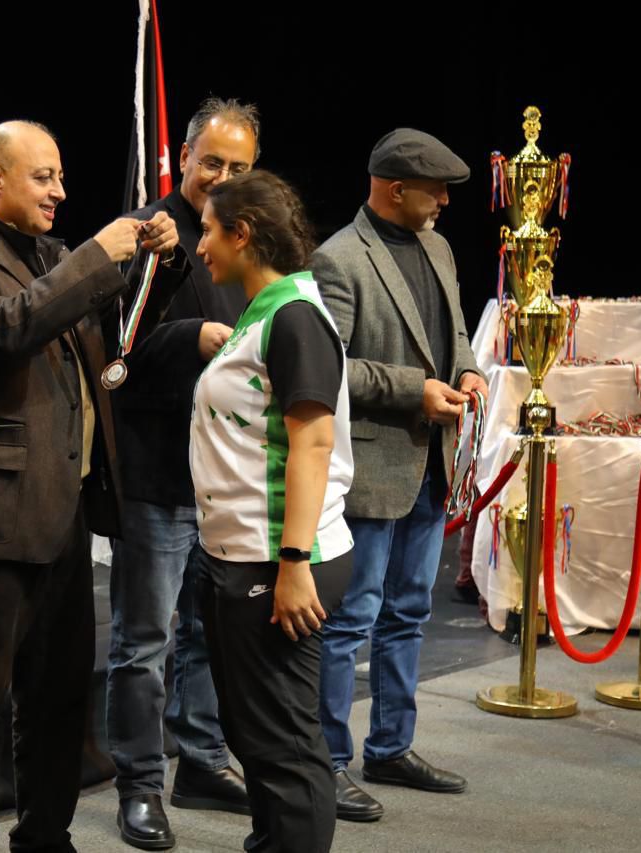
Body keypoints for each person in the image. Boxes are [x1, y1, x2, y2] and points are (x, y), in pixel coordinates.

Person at [0, 119, 184, 853]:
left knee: (60, 699)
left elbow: (119, 336)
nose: (60, 191)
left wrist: (160, 265)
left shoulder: (51, 255)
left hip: (65, 511)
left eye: (61, 177)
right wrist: (98, 254)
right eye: (44, 177)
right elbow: (5, 328)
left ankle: (45, 838)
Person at [312, 128, 484, 822]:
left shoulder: (439, 248)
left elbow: (456, 333)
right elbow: (329, 366)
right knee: (350, 619)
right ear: (395, 188)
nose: (444, 201)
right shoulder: (338, 259)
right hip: (371, 466)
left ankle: (389, 746)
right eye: (435, 190)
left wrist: (468, 369)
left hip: (428, 466)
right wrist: (416, 390)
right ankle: (325, 762)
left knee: (409, 611)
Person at [105, 97, 260, 850]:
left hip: (223, 480)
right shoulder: (146, 232)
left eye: (239, 167)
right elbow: (114, 357)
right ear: (186, 158)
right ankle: (139, 785)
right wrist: (190, 338)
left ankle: (200, 761)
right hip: (157, 477)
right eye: (212, 163)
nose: (222, 178)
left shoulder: (245, 243)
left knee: (207, 634)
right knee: (144, 644)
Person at [189, 169, 354, 853]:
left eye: (208, 230)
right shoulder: (265, 311)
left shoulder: (294, 316)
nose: (200, 245)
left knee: (284, 745)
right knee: (257, 735)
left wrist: (292, 565)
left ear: (243, 234)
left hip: (279, 560)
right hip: (246, 555)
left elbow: (312, 444)